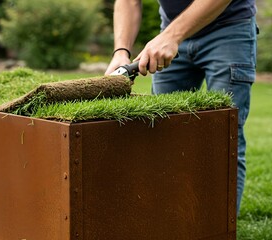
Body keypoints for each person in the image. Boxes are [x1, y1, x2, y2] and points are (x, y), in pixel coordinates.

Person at [105, 0, 257, 215]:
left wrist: (171, 36)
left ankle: (219, 230)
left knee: (224, 140)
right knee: (161, 138)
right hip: (170, 28)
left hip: (229, 29)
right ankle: (169, 225)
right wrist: (121, 52)